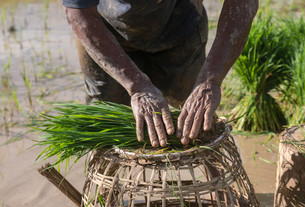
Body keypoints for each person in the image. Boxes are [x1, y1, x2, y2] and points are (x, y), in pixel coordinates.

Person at [62, 0, 258, 147]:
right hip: (104, 31)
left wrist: (210, 80)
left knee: (197, 119)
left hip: (180, 24)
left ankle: (218, 184)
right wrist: (137, 86)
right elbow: (78, 14)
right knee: (105, 121)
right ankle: (106, 194)